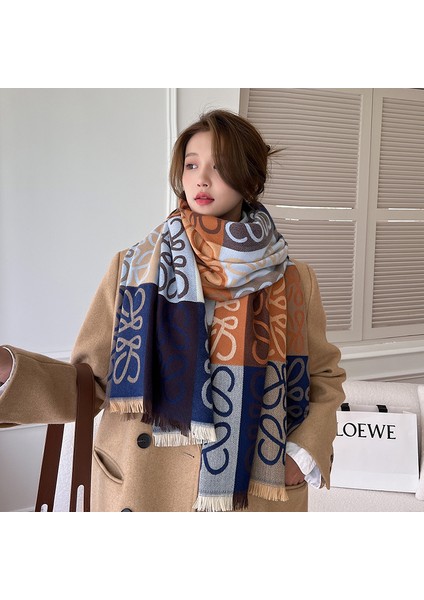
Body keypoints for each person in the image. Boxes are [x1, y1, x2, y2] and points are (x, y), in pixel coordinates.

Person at [0, 109, 345, 512]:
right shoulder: (133, 269)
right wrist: (10, 371)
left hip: (251, 489)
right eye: (192, 165)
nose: (201, 179)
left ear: (250, 179)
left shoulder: (293, 279)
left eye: (219, 166)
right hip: (145, 483)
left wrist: (301, 455)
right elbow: (91, 384)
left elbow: (324, 377)